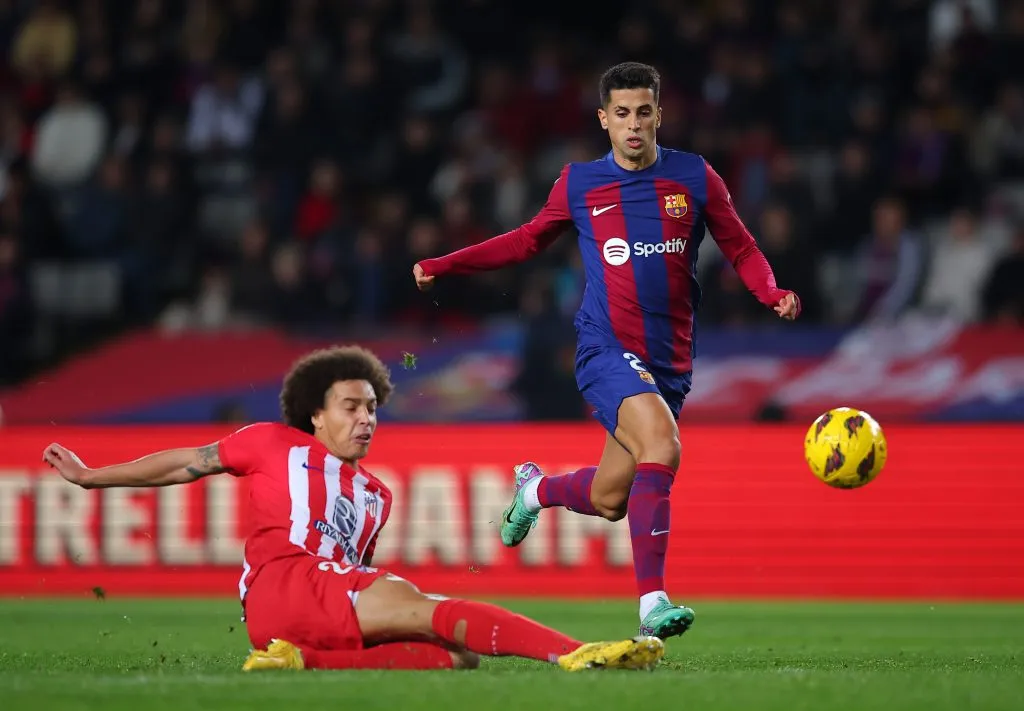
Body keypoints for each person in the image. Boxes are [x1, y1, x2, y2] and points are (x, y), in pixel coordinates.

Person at [413, 62, 801, 639]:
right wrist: (447, 264)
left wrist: (770, 291)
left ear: (659, 115)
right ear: (604, 120)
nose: (634, 124)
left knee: (611, 496)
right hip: (605, 349)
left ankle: (535, 489)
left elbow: (741, 247)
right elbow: (524, 241)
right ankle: (653, 605)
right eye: (622, 114)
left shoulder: (695, 178)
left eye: (644, 112)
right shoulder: (579, 183)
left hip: (670, 362)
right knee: (663, 447)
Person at [42, 345, 664, 672]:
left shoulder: (377, 495)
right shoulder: (271, 442)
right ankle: (574, 653)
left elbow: (350, 569)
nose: (366, 418)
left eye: (372, 408)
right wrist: (93, 478)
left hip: (305, 607)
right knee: (432, 608)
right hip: (284, 579)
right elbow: (187, 462)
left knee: (454, 657)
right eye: (350, 407)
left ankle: (296, 658)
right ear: (315, 413)